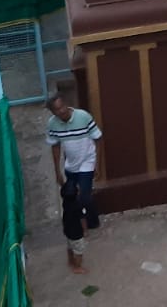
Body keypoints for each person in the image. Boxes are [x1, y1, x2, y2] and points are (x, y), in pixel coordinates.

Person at [46, 95, 101, 268]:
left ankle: (88, 226)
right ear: (53, 112)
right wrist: (57, 170)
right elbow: (55, 146)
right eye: (57, 110)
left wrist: (97, 163)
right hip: (70, 165)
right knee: (72, 199)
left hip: (87, 162)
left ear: (66, 104)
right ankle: (85, 224)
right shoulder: (52, 124)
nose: (61, 111)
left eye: (62, 107)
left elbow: (98, 138)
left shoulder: (83, 116)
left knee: (83, 197)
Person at [60, 177, 87, 274]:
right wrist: (85, 230)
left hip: (67, 230)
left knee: (70, 247)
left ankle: (70, 261)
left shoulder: (65, 203)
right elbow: (82, 220)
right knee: (79, 251)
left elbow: (64, 217)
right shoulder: (78, 205)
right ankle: (77, 267)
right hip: (77, 233)